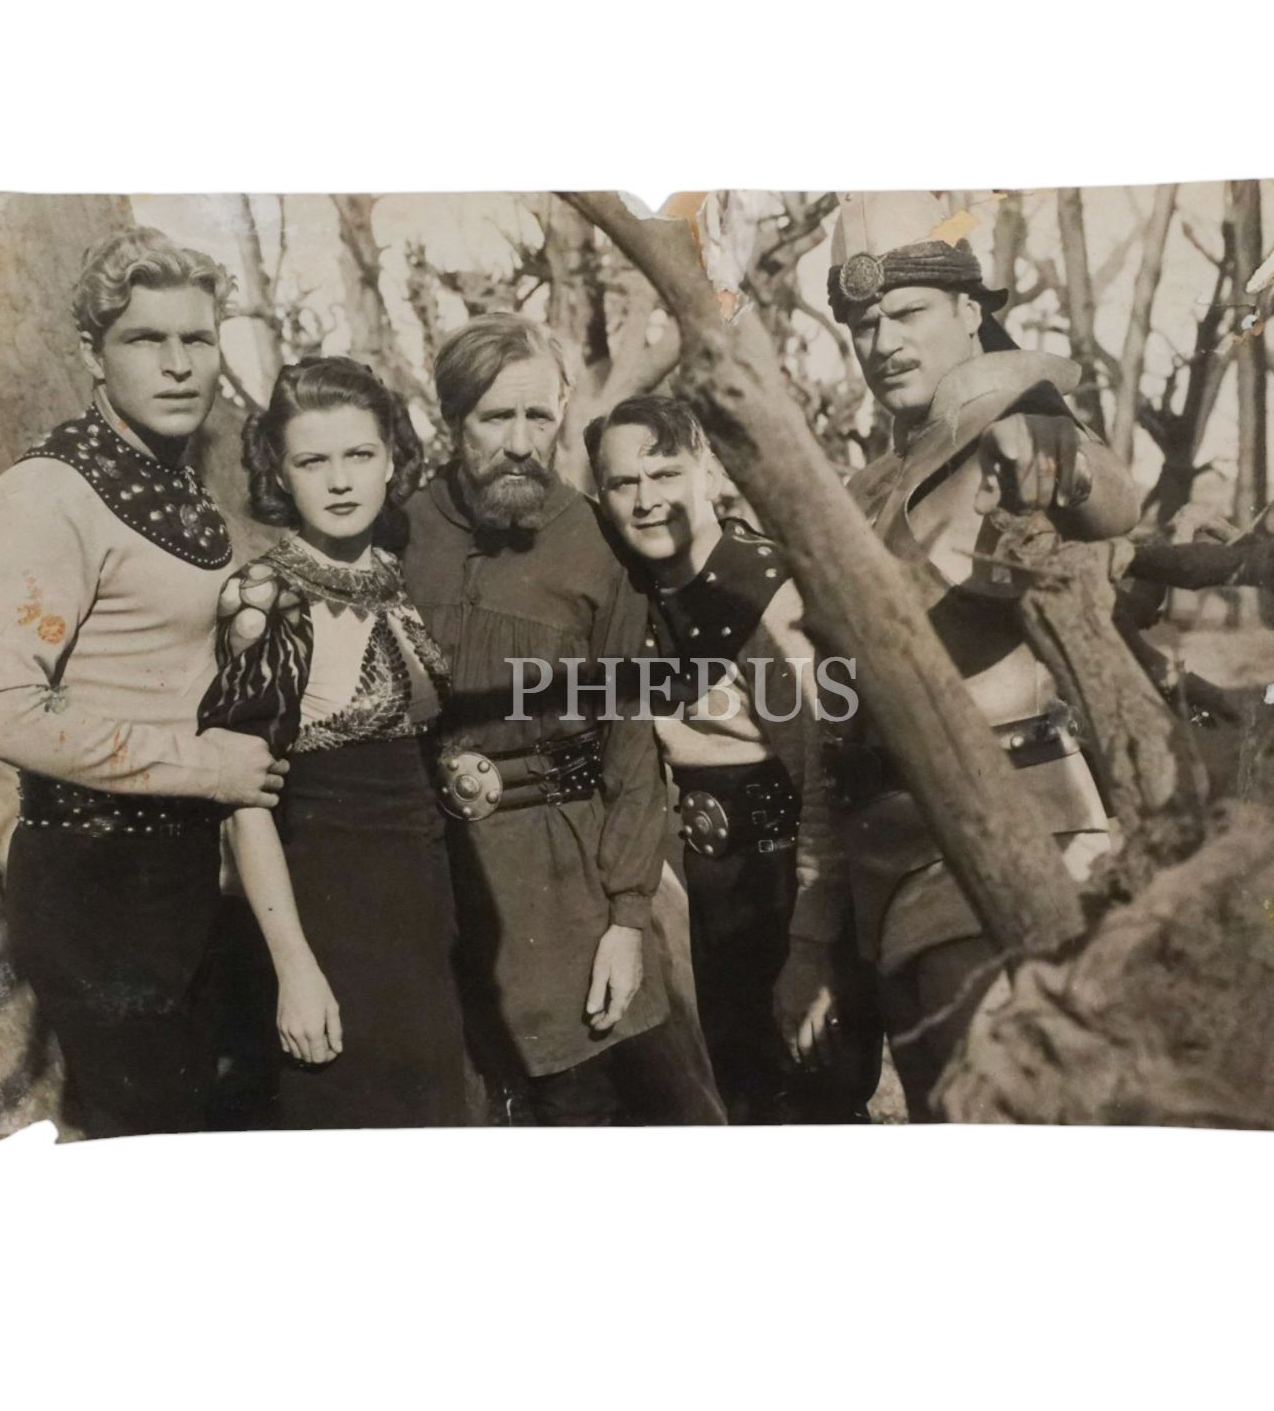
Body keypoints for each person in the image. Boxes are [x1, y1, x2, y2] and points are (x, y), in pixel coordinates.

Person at [785, 192, 1142, 1120]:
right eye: (863, 325)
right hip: (888, 883)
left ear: (970, 310)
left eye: (907, 313)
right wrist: (813, 937)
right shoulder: (863, 492)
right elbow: (835, 722)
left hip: (1014, 854)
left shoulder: (1013, 430)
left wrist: (1055, 446)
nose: (883, 343)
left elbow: (1111, 499)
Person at [0, 227, 287, 1139]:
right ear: (91, 355)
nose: (179, 365)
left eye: (198, 339)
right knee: (146, 1147)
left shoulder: (174, 485)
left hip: (186, 873)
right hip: (97, 880)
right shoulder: (45, 495)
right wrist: (205, 767)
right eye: (146, 339)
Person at [405, 314, 717, 1125]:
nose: (520, 443)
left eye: (538, 416)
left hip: (567, 883)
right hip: (434, 882)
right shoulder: (400, 534)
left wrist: (627, 920)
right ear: (451, 419)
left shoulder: (596, 545)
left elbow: (631, 746)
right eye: (495, 417)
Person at [586, 395, 879, 1123]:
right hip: (705, 893)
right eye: (623, 483)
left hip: (785, 892)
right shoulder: (633, 590)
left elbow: (825, 784)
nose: (646, 500)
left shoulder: (768, 594)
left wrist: (811, 948)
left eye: (665, 473)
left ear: (710, 471)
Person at [197, 357, 468, 1129]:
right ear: (280, 474)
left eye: (360, 454)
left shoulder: (396, 573)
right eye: (313, 461)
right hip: (328, 917)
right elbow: (243, 802)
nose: (341, 481)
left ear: (392, 458)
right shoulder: (263, 595)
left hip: (424, 908)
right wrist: (295, 969)